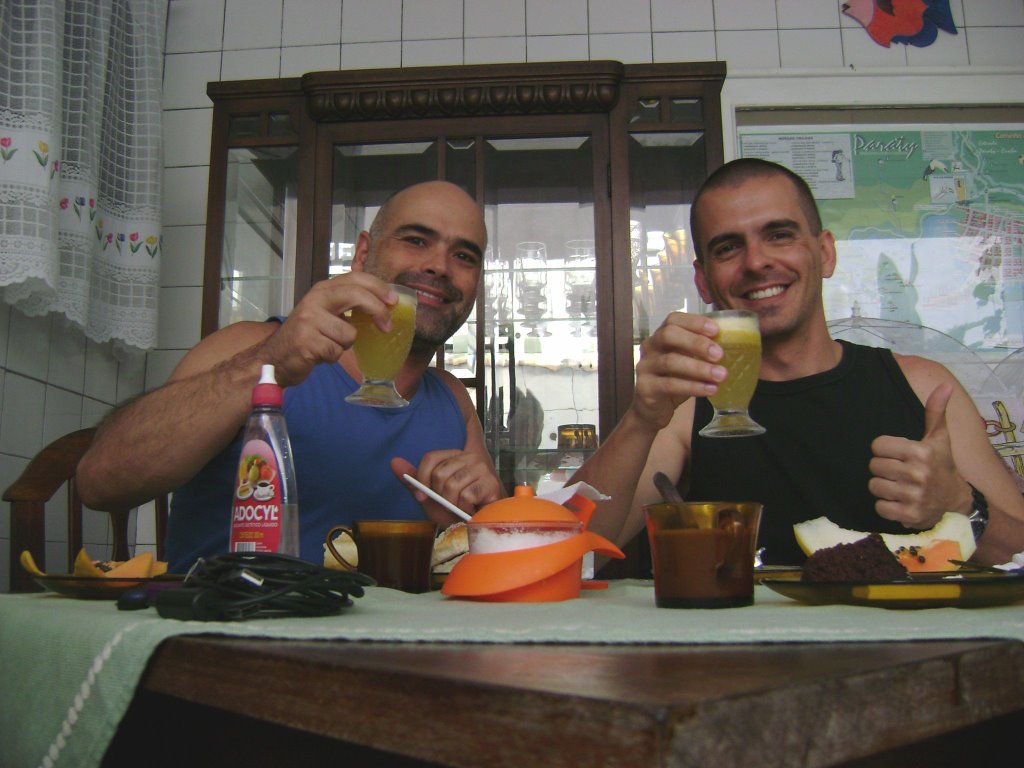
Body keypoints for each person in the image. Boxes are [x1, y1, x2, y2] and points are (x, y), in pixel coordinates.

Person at [572, 158, 1024, 566]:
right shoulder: (685, 407)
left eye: (779, 235)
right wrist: (640, 419)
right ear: (703, 281)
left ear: (825, 253)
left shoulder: (923, 385)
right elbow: (571, 554)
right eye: (728, 247)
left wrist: (963, 507)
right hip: (742, 658)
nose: (756, 262)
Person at [76, 180, 504, 572]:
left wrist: (471, 522)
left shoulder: (453, 401)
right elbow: (99, 482)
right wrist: (266, 363)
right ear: (363, 254)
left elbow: (495, 550)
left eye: (464, 256)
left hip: (388, 649)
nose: (440, 266)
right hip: (226, 639)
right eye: (415, 240)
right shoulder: (246, 347)